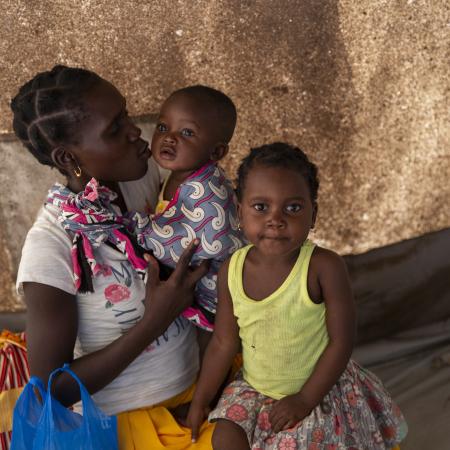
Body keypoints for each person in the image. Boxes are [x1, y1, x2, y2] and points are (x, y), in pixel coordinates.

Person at [11, 65, 215, 449]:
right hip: (124, 430)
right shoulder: (51, 246)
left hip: (195, 399)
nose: (136, 131)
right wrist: (153, 322)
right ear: (68, 157)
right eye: (114, 128)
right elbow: (51, 390)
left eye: (125, 113)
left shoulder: (143, 178)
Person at [186, 143, 408, 449]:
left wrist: (304, 400)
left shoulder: (323, 267)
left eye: (292, 208)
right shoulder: (231, 270)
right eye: (261, 207)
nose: (275, 219)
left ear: (313, 214)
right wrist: (201, 399)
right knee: (224, 438)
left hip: (317, 390)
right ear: (240, 212)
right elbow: (224, 342)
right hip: (255, 389)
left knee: (296, 442)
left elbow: (341, 342)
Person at [132, 85, 243, 353]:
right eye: (162, 128)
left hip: (224, 301)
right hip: (191, 295)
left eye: (187, 133)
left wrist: (135, 228)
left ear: (216, 153)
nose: (169, 138)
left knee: (216, 350)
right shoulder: (178, 174)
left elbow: (195, 244)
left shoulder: (207, 192)